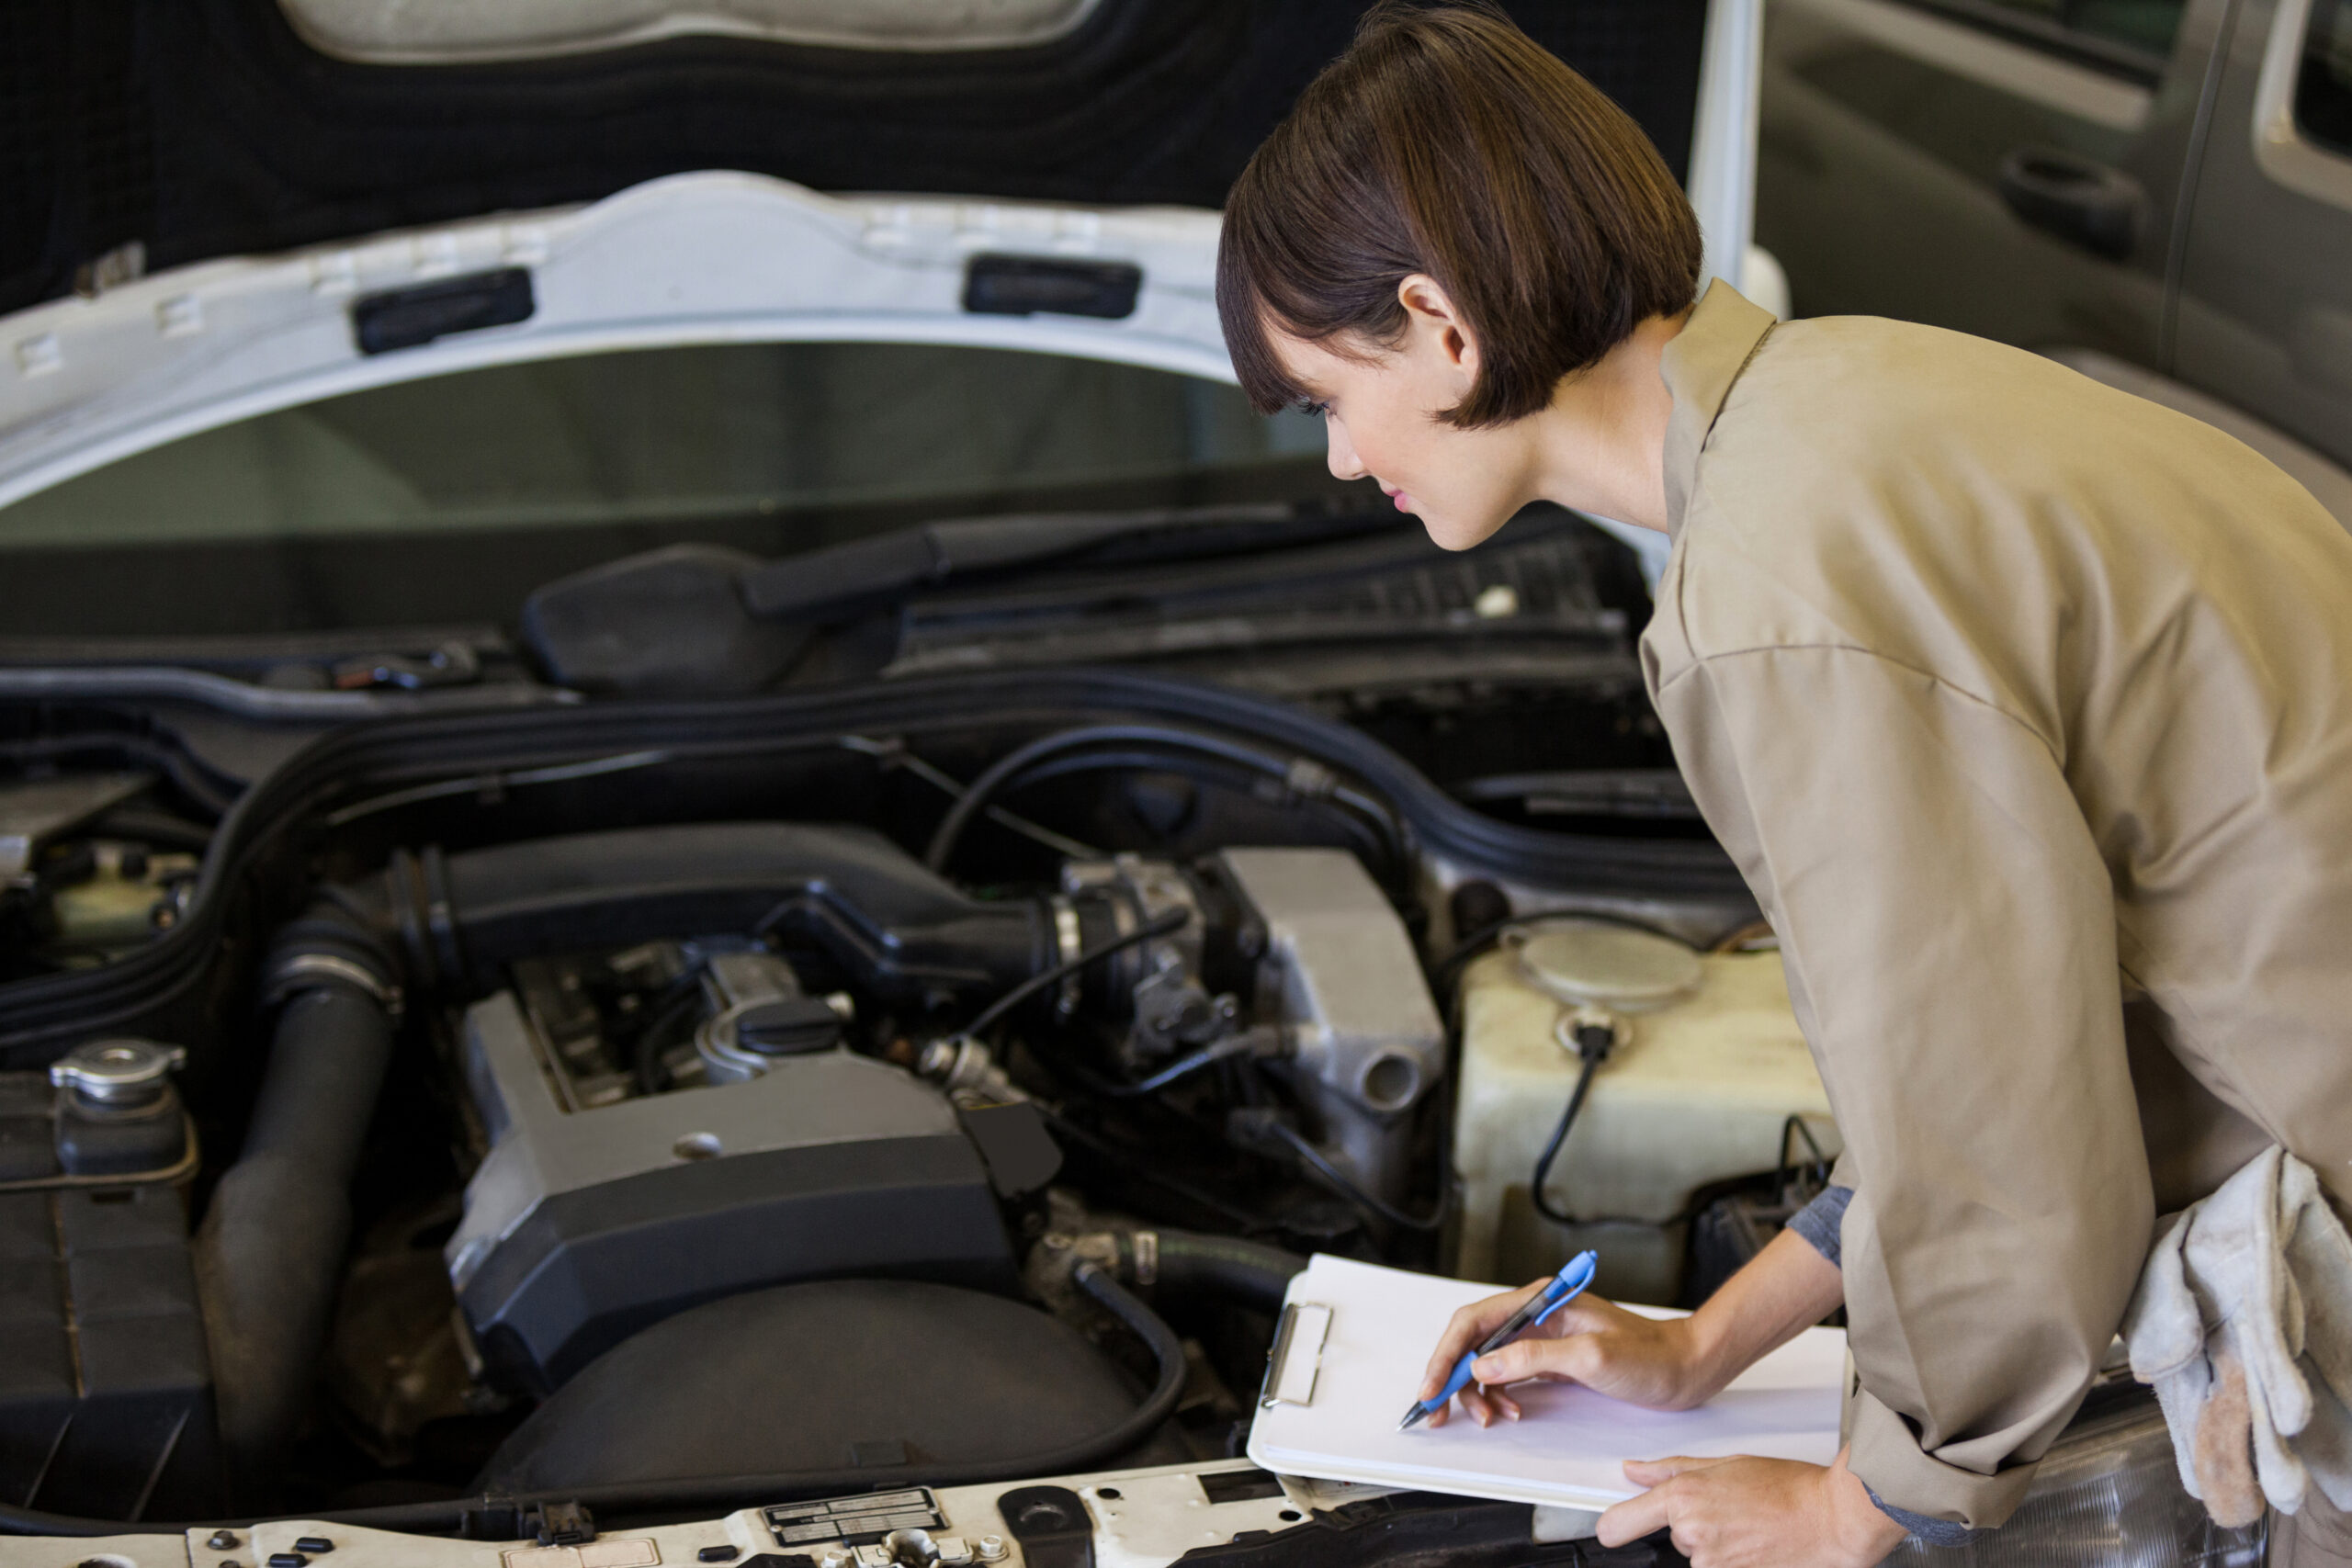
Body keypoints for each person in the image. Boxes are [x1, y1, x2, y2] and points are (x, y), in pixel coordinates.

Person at [1214, 6, 2352, 1566]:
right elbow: (1988, 1059)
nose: (1346, 462)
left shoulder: (1777, 592)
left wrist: (1874, 1499)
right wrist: (1705, 1345)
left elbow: (1994, 1121)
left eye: (1332, 399)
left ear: (1439, 323)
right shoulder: (1853, 402)